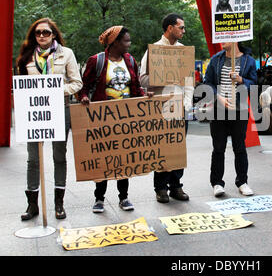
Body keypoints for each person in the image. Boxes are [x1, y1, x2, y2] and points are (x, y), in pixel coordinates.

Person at [17, 18, 83, 220]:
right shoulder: (27, 57)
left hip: (59, 109)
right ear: (34, 35)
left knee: (59, 156)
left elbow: (76, 83)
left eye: (46, 32)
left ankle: (59, 204)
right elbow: (21, 84)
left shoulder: (66, 53)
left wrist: (55, 90)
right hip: (34, 112)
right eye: (38, 33)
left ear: (53, 34)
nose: (42, 36)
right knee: (33, 158)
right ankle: (32, 205)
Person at [79, 26, 144, 213]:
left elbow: (136, 86)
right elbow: (84, 86)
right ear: (115, 42)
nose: (129, 44)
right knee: (103, 158)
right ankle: (99, 198)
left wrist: (143, 96)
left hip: (126, 118)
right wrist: (83, 97)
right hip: (103, 119)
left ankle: (123, 197)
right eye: (126, 41)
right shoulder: (96, 61)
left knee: (124, 157)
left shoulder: (130, 61)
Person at [139, 13, 193, 203]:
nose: (183, 31)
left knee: (178, 147)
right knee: (162, 147)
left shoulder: (184, 51)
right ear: (170, 28)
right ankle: (160, 188)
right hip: (160, 107)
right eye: (181, 27)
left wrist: (187, 103)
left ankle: (176, 186)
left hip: (180, 106)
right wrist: (162, 77)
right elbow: (142, 79)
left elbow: (189, 80)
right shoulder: (153, 51)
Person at [204, 42, 257, 197]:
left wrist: (241, 79)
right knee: (218, 148)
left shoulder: (249, 60)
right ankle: (217, 183)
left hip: (239, 109)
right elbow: (208, 82)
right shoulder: (215, 60)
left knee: (240, 147)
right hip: (219, 109)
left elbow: (253, 83)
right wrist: (217, 96)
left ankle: (242, 182)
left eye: (225, 39)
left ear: (235, 40)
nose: (221, 42)